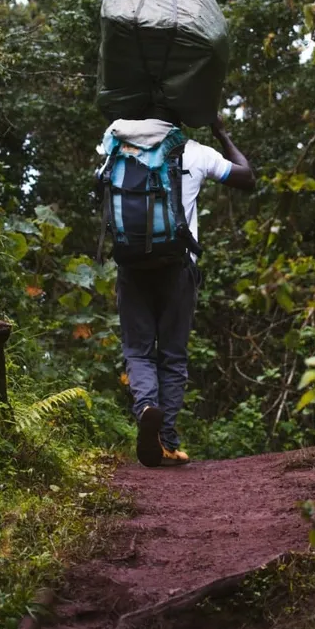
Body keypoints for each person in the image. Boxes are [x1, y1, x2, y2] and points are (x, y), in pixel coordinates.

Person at [107, 113, 255, 467]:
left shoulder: (115, 148)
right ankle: (167, 441)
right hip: (177, 268)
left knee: (138, 351)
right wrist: (220, 131)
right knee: (172, 356)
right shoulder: (194, 152)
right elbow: (247, 177)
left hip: (131, 267)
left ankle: (146, 408)